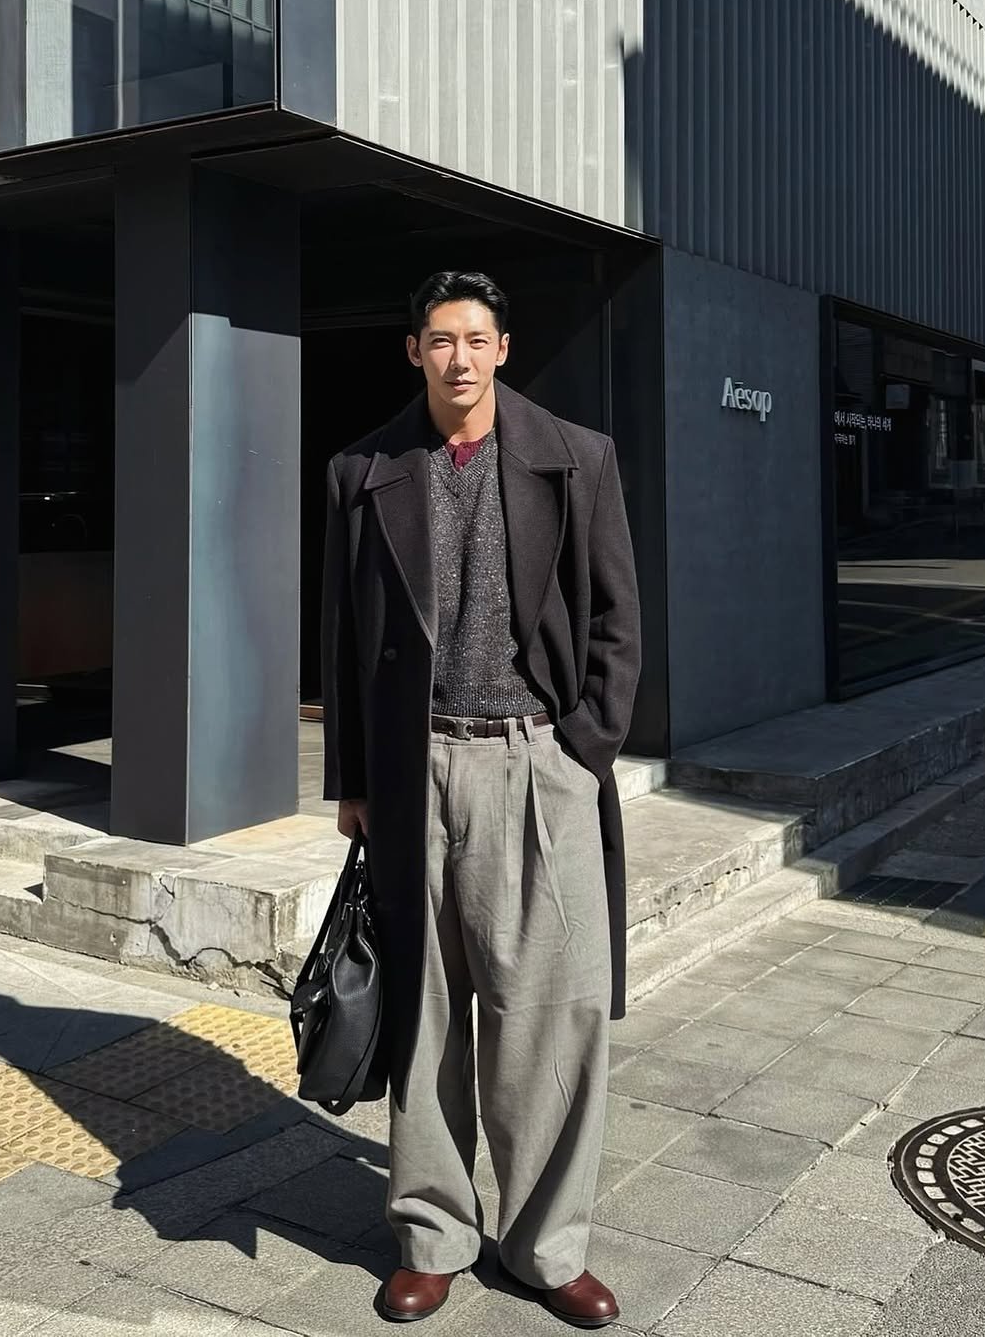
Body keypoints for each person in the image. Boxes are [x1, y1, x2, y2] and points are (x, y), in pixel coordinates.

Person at [321, 270, 641, 1326]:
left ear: (503, 347)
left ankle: (547, 1245)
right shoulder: (365, 469)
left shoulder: (575, 457)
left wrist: (579, 752)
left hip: (533, 762)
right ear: (414, 351)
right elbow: (344, 640)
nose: (458, 357)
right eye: (438, 340)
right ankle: (433, 1229)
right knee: (420, 1014)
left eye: (476, 338)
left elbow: (615, 622)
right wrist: (354, 782)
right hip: (414, 767)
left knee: (551, 1010)